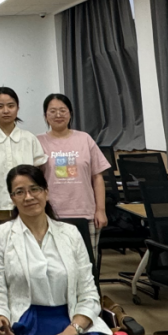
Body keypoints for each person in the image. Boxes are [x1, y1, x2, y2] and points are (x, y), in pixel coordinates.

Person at [0, 164, 111, 335]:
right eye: (20, 192)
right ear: (12, 198)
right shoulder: (0, 235)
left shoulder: (71, 233)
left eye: (34, 189)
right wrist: (3, 326)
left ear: (46, 192)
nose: (28, 197)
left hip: (73, 319)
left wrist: (73, 329)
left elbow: (88, 291)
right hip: (26, 320)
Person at [37, 94, 110, 250]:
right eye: (52, 111)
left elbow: (97, 177)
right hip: (50, 214)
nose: (58, 115)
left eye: (63, 110)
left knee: (88, 260)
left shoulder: (85, 139)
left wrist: (101, 210)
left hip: (85, 213)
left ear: (70, 113)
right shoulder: (37, 142)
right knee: (54, 260)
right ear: (45, 116)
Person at [0, 87, 48, 225]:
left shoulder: (29, 138)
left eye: (11, 106)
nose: (6, 110)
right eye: (0, 106)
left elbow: (40, 173)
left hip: (28, 204)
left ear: (17, 108)